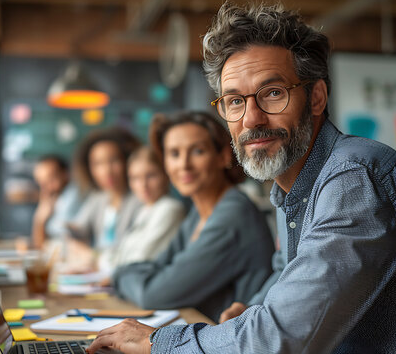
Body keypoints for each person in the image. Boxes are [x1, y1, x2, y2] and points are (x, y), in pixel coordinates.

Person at [87, 1, 396, 353]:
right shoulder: (291, 188)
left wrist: (157, 343)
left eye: (273, 93)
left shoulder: (353, 178)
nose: (251, 119)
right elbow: (287, 274)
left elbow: (279, 341)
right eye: (234, 101)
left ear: (316, 97)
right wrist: (253, 312)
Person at [111, 111, 274, 322]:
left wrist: (118, 274)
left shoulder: (233, 213)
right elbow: (158, 266)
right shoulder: (199, 212)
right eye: (174, 154)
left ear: (224, 155)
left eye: (197, 151)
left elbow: (154, 294)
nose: (184, 165)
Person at [98, 146, 186, 277]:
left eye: (151, 176)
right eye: (135, 178)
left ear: (166, 175)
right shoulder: (144, 210)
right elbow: (120, 255)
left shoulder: (170, 209)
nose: (143, 185)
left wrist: (103, 262)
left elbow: (139, 261)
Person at [67, 128, 142, 255]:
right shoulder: (98, 198)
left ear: (127, 161)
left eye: (114, 160)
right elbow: (77, 231)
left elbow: (131, 252)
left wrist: (90, 255)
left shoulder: (140, 199)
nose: (107, 171)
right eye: (98, 164)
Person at [30, 155, 83, 249]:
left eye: (50, 179)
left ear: (65, 174)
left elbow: (42, 245)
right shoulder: (56, 199)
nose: (45, 188)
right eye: (41, 182)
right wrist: (39, 218)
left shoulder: (74, 195)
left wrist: (39, 219)